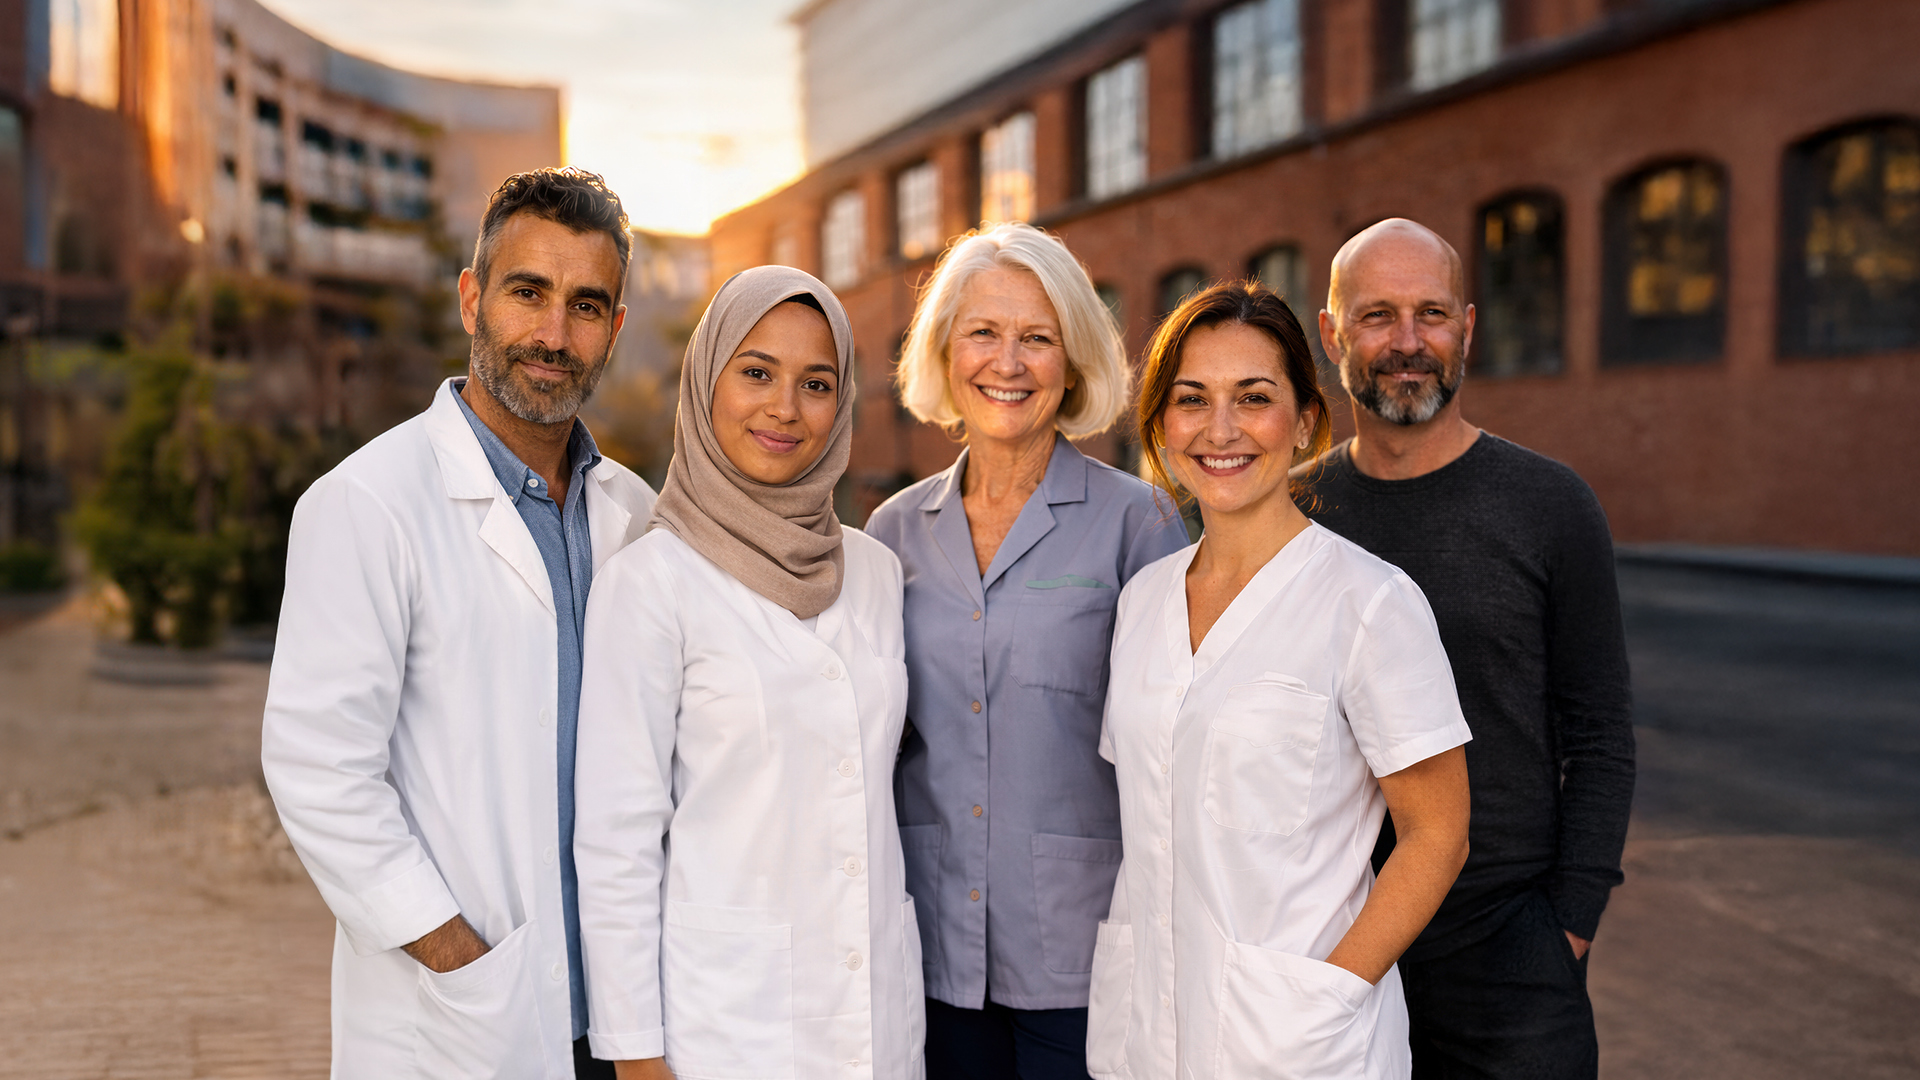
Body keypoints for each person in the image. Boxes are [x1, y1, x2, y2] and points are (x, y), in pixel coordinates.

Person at [261, 167, 654, 1078]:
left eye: (586, 305)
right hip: (465, 1021)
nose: (553, 335)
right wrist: (460, 961)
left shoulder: (636, 515)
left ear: (615, 329)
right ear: (472, 298)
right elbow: (319, 771)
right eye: (528, 293)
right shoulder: (366, 503)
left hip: (621, 1022)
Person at [1088, 281, 1473, 1080]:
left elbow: (1439, 834)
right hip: (1149, 1033)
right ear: (1160, 424)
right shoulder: (1142, 601)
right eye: (1192, 399)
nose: (1220, 429)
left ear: (1303, 422)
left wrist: (1331, 992)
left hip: (1300, 1044)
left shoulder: (1370, 603)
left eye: (1254, 397)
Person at [1297, 218, 1635, 1078]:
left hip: (1509, 952)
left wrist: (1568, 925)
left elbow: (1599, 733)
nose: (1408, 343)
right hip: (1331, 939)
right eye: (1378, 315)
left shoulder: (1551, 505)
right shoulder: (1292, 515)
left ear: (1467, 328)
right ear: (1332, 333)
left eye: (1432, 314)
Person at [572, 266, 922, 1080]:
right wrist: (636, 1055)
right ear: (707, 382)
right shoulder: (650, 583)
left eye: (816, 383)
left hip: (873, 1016)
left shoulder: (874, 571)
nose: (785, 408)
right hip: (726, 1027)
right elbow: (617, 844)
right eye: (757, 372)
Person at [865, 222, 1188, 1080]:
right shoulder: (890, 533)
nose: (1007, 362)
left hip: (1085, 956)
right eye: (983, 332)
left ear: (1072, 362)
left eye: (1037, 338)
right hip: (930, 948)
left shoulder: (1139, 524)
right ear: (945, 351)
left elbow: (1177, 753)